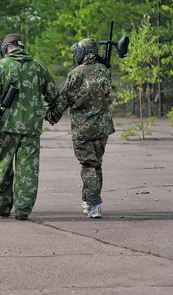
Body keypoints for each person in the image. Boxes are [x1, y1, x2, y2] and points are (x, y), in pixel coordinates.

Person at [0, 34, 59, 221]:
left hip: (6, 126)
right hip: (31, 128)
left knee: (3, 165)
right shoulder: (38, 66)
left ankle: (2, 207)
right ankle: (23, 209)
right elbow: (53, 94)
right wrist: (48, 112)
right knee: (28, 168)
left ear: (5, 48)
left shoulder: (0, 66)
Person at [45, 38, 115, 218]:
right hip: (102, 127)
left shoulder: (77, 73)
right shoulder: (104, 71)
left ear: (85, 52)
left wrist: (51, 116)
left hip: (83, 128)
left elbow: (64, 98)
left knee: (88, 165)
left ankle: (94, 205)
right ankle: (88, 200)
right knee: (95, 164)